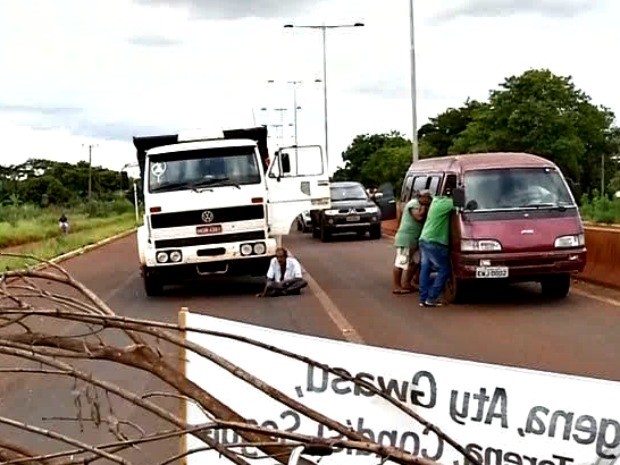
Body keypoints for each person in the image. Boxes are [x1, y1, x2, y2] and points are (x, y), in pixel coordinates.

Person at [418, 179, 457, 307]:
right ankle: (432, 297)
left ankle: (423, 298)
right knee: (444, 269)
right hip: (435, 241)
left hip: (424, 238)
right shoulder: (447, 203)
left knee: (425, 269)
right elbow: (464, 206)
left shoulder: (436, 201)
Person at [392, 190, 431, 294]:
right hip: (406, 238)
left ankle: (407, 283)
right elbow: (418, 217)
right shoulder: (413, 204)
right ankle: (397, 286)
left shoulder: (420, 204)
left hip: (415, 239)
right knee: (401, 262)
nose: (428, 200)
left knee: (416, 262)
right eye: (427, 197)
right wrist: (423, 207)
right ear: (421, 197)